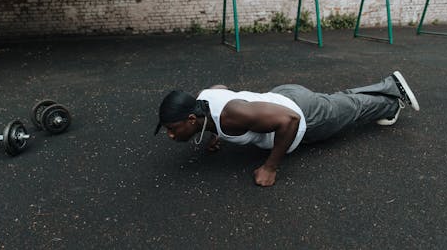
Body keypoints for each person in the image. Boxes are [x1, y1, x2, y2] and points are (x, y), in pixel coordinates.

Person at [154, 71, 419, 187]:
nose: (171, 134)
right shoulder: (203, 98)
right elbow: (220, 88)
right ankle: (386, 87)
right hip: (282, 95)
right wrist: (212, 134)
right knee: (341, 101)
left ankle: (391, 100)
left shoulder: (232, 116)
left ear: (190, 118)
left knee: (351, 110)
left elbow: (288, 121)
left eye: (172, 128)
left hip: (302, 115)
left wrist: (270, 167)